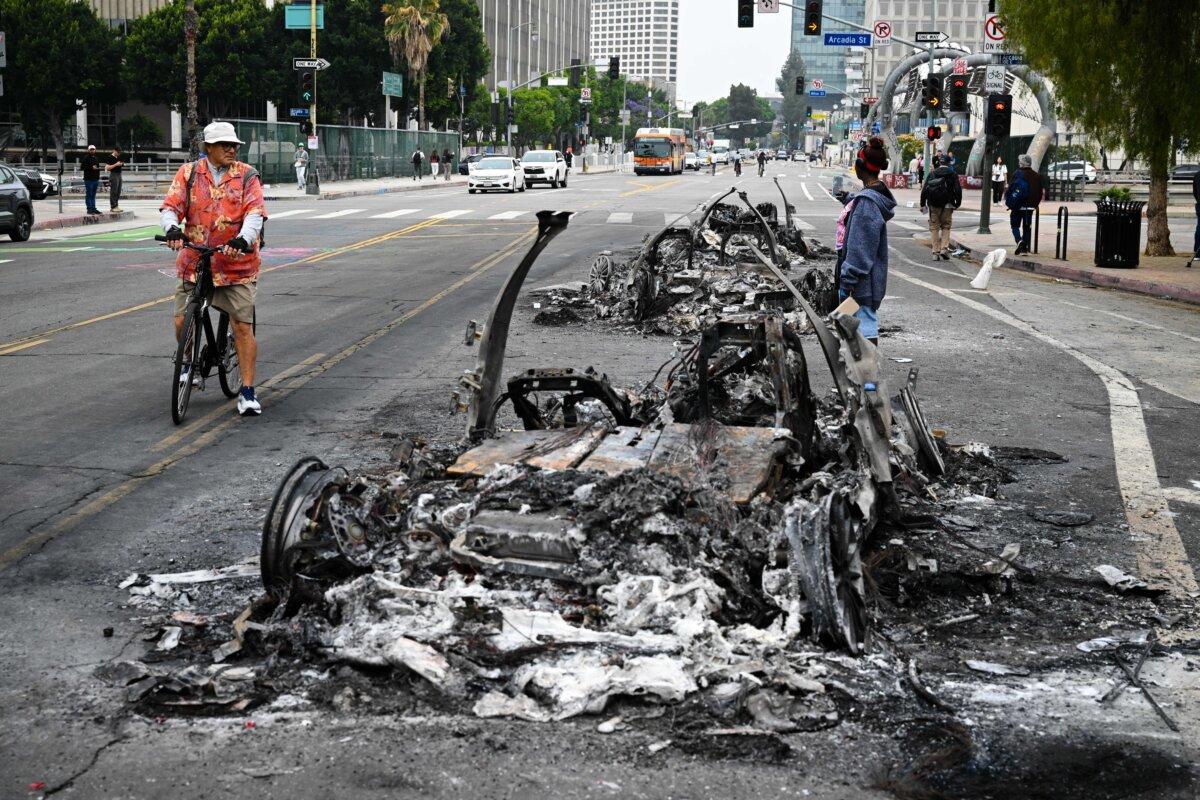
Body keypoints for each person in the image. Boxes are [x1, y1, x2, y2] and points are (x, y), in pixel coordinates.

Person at [160, 121, 267, 417]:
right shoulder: (189, 173)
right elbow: (171, 206)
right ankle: (188, 364)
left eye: (234, 144)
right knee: (183, 320)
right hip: (195, 261)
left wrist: (244, 239)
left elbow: (255, 213)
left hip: (236, 263)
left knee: (242, 327)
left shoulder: (247, 175)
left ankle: (247, 391)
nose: (231, 149)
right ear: (208, 148)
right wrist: (171, 229)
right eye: (224, 145)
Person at [835, 137, 895, 347]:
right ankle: (861, 372)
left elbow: (861, 248)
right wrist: (850, 199)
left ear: (860, 167)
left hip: (861, 282)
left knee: (864, 324)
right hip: (864, 280)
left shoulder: (866, 204)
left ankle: (868, 374)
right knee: (852, 323)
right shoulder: (869, 197)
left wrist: (848, 280)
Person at [920, 154, 963, 260]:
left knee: (934, 227)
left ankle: (935, 252)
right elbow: (958, 190)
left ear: (940, 163)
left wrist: (922, 204)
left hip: (933, 204)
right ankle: (944, 248)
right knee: (946, 226)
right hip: (948, 204)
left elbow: (925, 190)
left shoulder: (933, 173)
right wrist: (957, 203)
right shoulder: (952, 174)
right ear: (949, 163)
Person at [1004, 153, 1043, 255]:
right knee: (1027, 228)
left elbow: (1011, 188)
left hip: (1017, 206)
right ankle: (1024, 249)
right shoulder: (1037, 176)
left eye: (1019, 162)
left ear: (1022, 163)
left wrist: (1009, 200)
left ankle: (1019, 241)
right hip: (1029, 207)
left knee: (1015, 226)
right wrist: (1034, 205)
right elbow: (1040, 193)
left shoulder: (1017, 173)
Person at [81, 144, 101, 215]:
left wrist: (97, 173)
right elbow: (82, 167)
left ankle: (93, 208)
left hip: (95, 178)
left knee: (93, 194)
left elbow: (97, 167)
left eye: (93, 149)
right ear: (88, 150)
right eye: (91, 149)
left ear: (95, 150)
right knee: (89, 194)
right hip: (88, 179)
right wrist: (91, 168)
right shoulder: (86, 158)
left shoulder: (96, 158)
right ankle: (89, 209)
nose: (92, 150)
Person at [104, 145, 125, 212]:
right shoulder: (110, 157)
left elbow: (120, 164)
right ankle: (113, 206)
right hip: (113, 175)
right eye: (117, 152)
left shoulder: (118, 157)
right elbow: (107, 168)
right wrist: (116, 165)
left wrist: (122, 164)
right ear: (114, 150)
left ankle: (116, 205)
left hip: (119, 174)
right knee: (114, 191)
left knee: (118, 191)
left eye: (119, 152)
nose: (118, 153)